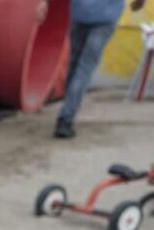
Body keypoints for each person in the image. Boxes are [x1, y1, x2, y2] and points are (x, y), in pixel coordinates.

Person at [55, 0, 146, 137]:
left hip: (79, 14)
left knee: (74, 64)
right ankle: (66, 118)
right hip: (105, 18)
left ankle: (67, 110)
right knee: (84, 68)